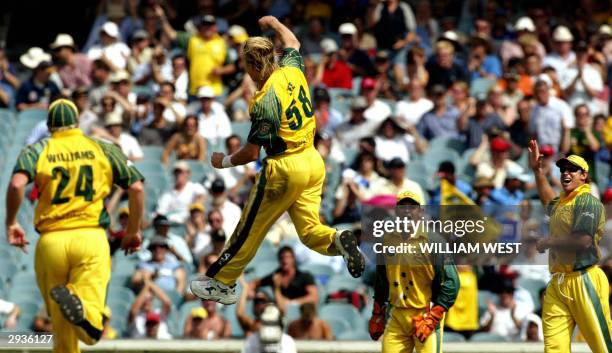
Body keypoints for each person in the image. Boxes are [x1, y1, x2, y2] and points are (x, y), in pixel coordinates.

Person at [190, 16, 365, 305]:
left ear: (254, 65)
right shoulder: (291, 70)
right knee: (310, 232)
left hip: (285, 167)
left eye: (246, 65)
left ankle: (221, 282)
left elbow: (251, 153)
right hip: (312, 160)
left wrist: (223, 162)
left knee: (250, 229)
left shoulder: (264, 100)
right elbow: (293, 42)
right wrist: (274, 22)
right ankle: (337, 240)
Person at [6, 99, 144, 353]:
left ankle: (75, 308)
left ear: (49, 126)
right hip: (90, 238)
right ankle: (82, 311)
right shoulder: (102, 147)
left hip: (51, 243)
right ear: (78, 123)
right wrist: (133, 230)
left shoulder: (38, 149)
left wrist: (12, 222)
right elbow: (136, 187)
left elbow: (16, 185)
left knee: (61, 331)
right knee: (91, 328)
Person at [528, 140, 610, 353]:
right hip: (558, 282)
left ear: (584, 175)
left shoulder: (587, 201)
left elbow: (583, 240)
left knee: (603, 346)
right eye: (563, 169)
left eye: (572, 169)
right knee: (554, 348)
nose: (566, 173)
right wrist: (538, 172)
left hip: (584, 279)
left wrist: (550, 242)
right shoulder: (564, 202)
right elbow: (548, 202)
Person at [368, 190, 459, 352]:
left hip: (425, 314)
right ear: (396, 211)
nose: (407, 212)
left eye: (412, 207)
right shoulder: (386, 240)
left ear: (421, 211)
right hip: (396, 315)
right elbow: (382, 280)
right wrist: (377, 312)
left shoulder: (434, 241)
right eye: (402, 207)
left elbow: (452, 283)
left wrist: (434, 315)